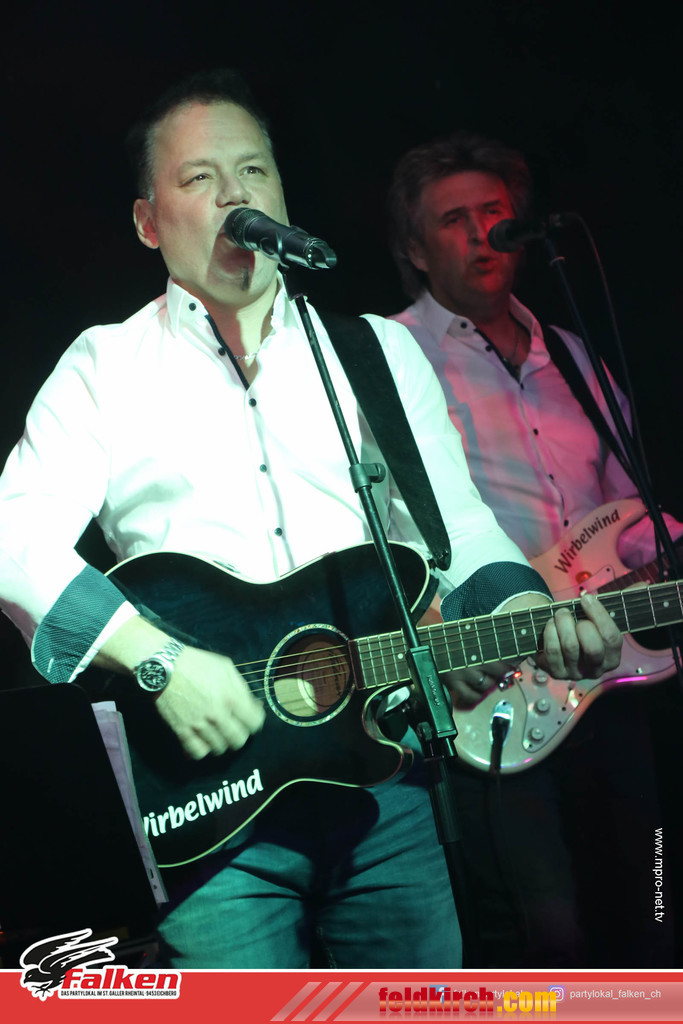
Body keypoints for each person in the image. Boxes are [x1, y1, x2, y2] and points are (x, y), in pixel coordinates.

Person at [0, 74, 623, 970]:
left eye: (253, 171)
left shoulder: (373, 350)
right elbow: (15, 539)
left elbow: (457, 527)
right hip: (210, 811)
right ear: (148, 223)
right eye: (201, 178)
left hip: (386, 787)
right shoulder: (105, 367)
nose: (236, 195)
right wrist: (157, 657)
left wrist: (528, 611)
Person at [386, 130, 682, 967]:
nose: (481, 233)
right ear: (414, 248)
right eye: (452, 220)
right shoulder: (394, 356)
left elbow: (627, 511)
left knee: (652, 909)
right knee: (548, 936)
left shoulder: (572, 355)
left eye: (493, 211)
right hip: (495, 679)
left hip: (608, 670)